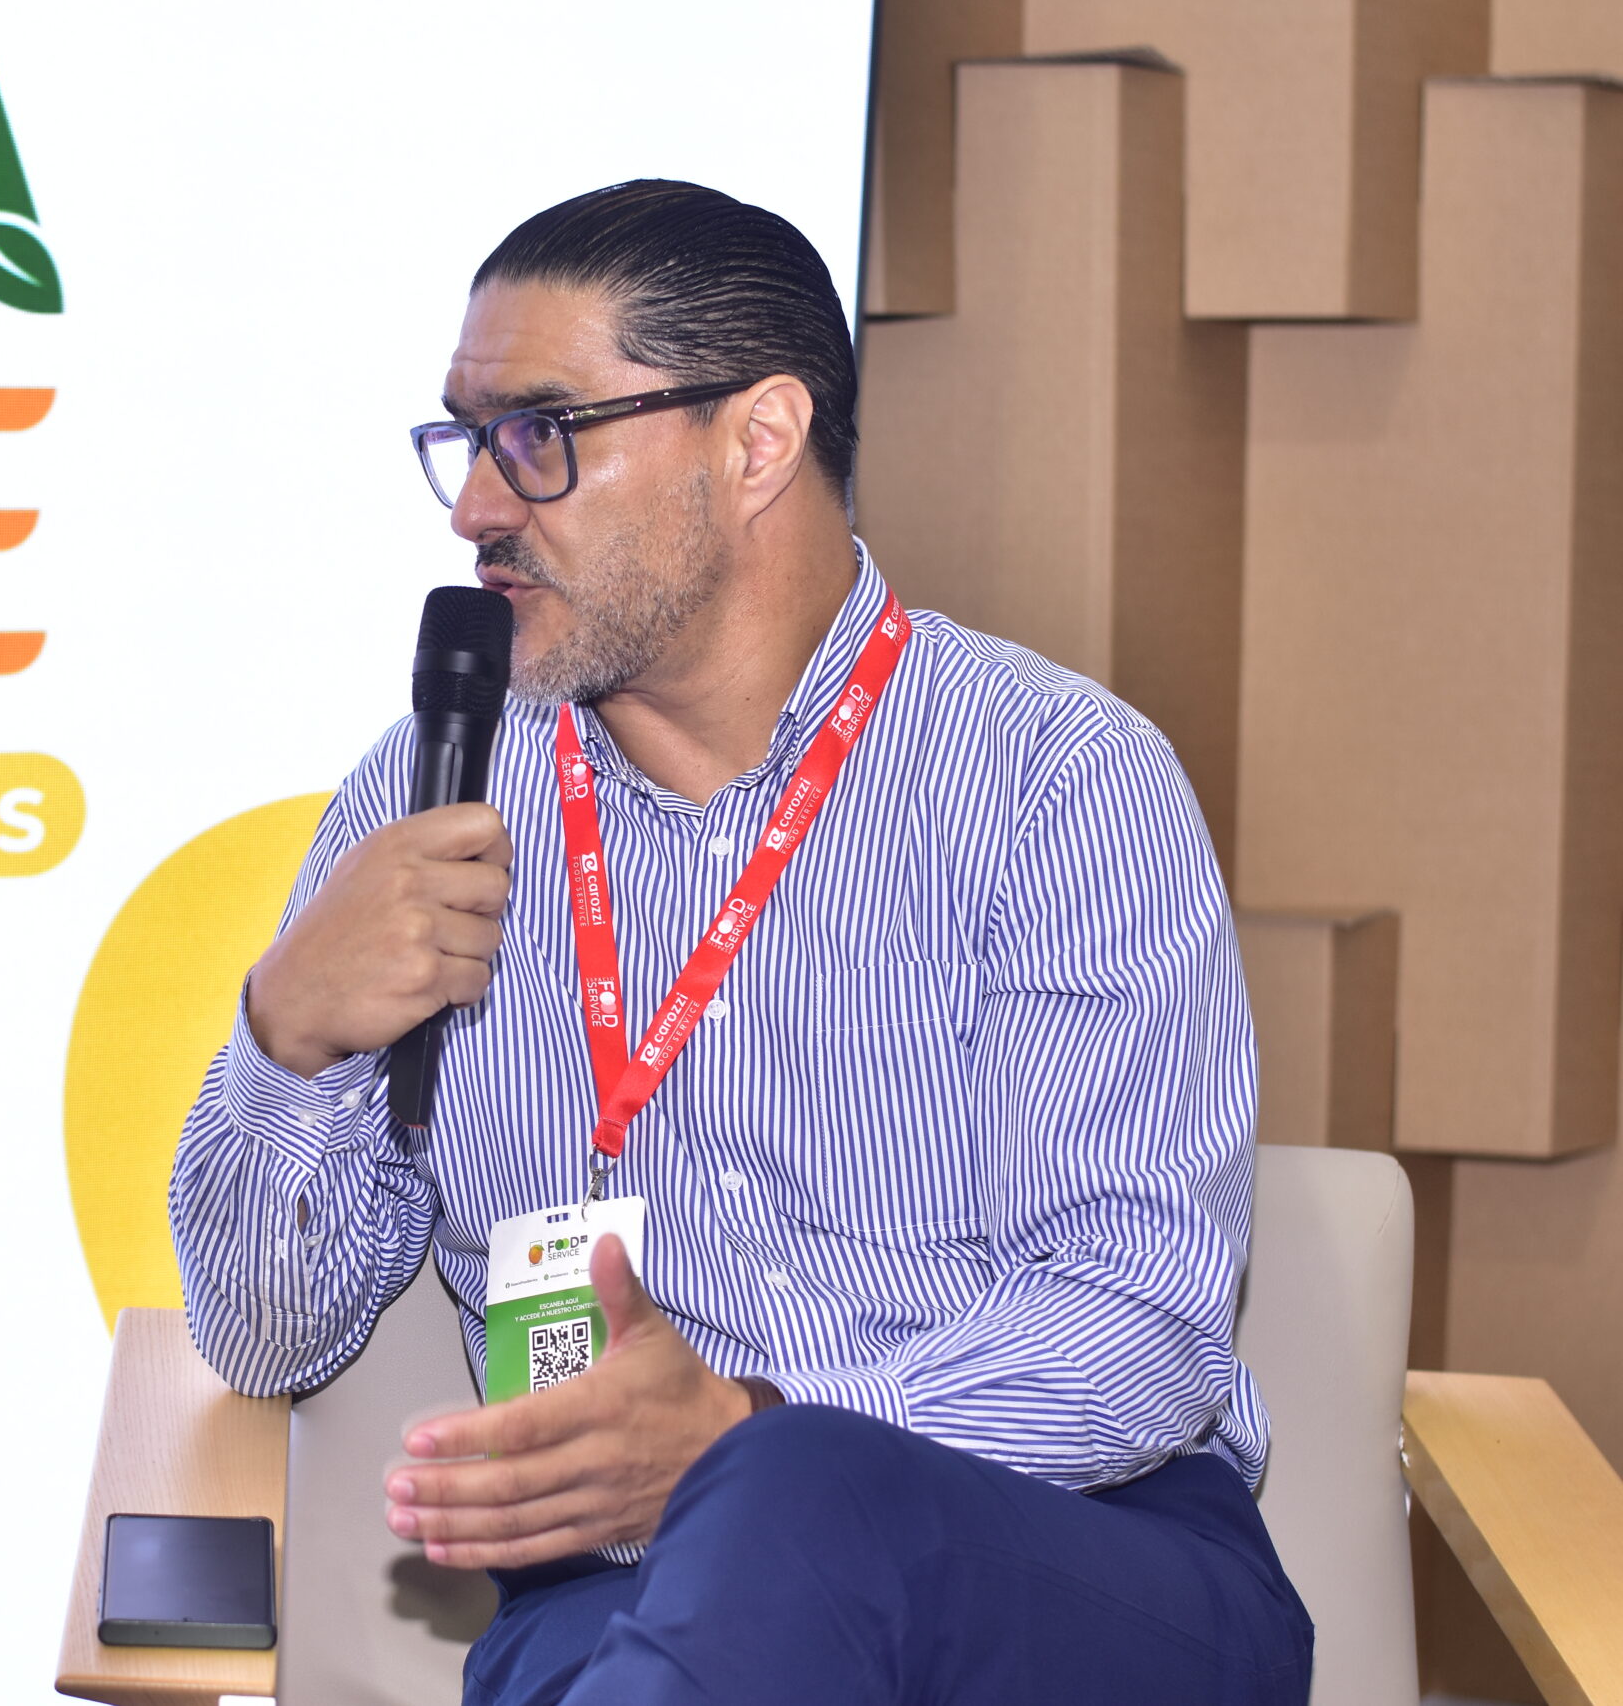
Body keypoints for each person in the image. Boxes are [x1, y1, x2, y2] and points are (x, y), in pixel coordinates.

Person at [167, 180, 1313, 1706]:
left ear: (759, 440)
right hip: (618, 1592)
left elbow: (1137, 1326)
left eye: (539, 433)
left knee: (795, 1496)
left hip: (1063, 1562)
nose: (476, 508)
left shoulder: (1055, 781)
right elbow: (266, 1343)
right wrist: (288, 1036)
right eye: (467, 438)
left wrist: (744, 1440)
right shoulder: (432, 791)